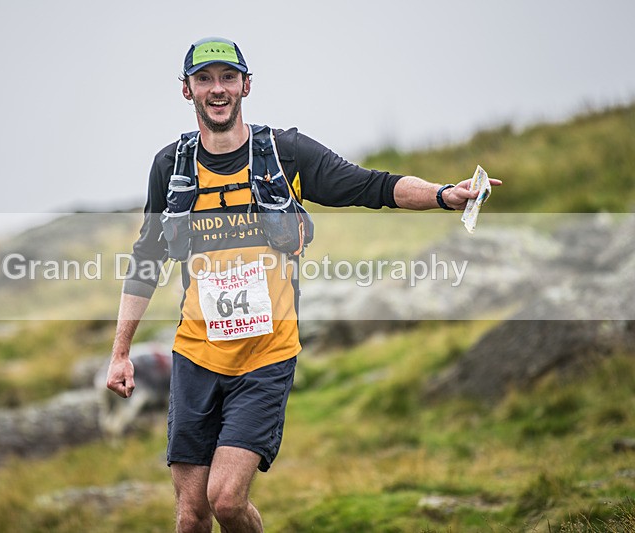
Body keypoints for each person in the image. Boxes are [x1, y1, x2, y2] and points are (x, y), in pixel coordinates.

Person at [106, 36, 502, 532]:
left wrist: (444, 194)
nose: (217, 89)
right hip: (195, 355)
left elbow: (371, 185)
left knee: (226, 500)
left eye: (228, 77)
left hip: (266, 357)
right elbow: (146, 258)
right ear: (187, 90)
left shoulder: (284, 154)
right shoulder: (171, 166)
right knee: (191, 514)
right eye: (204, 79)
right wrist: (121, 352)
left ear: (246, 85)